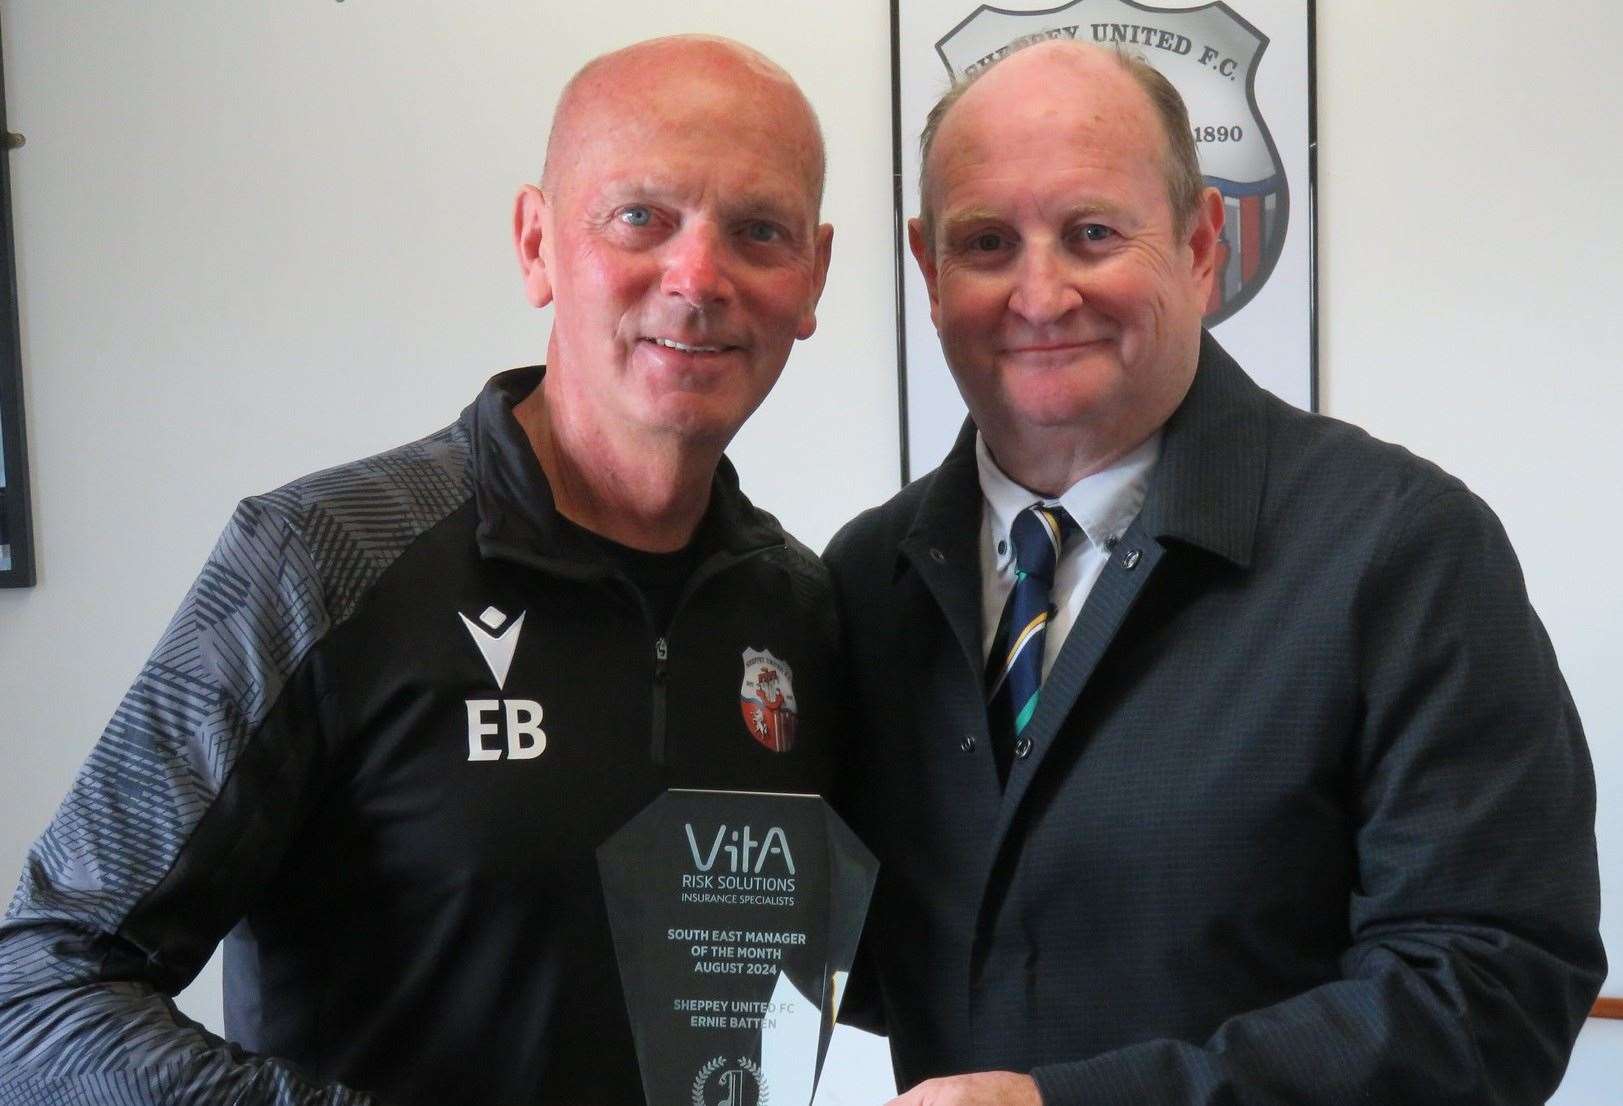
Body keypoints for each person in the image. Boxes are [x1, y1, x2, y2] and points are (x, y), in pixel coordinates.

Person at [0, 35, 836, 1106]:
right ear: (537, 243)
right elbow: (39, 987)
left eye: (757, 231)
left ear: (810, 276)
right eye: (642, 216)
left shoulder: (803, 613)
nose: (698, 277)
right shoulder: (318, 555)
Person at [825, 41, 1603, 1106]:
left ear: (1201, 246)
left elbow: (1491, 990)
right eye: (987, 242)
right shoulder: (865, 581)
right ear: (930, 270)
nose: (1040, 293)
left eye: (1092, 233)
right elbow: (855, 952)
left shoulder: (1402, 551)